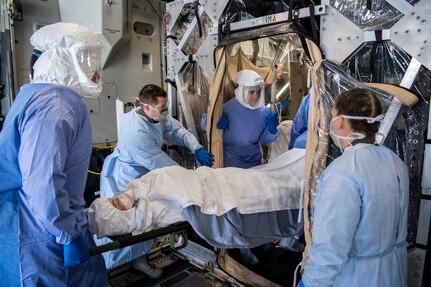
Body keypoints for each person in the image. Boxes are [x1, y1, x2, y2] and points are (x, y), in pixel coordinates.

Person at [0, 22, 108, 286]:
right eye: (85, 57)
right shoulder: (55, 106)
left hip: (46, 226)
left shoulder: (40, 96)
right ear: (61, 57)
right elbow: (42, 183)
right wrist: (67, 234)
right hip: (39, 235)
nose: (93, 68)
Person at [98, 83, 213, 276]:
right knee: (125, 225)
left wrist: (196, 147)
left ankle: (139, 259)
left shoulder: (155, 117)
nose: (164, 113)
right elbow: (164, 166)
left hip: (145, 174)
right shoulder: (137, 132)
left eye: (165, 108)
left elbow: (177, 131)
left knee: (145, 221)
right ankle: (112, 268)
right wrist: (195, 180)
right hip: (125, 178)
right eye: (161, 109)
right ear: (145, 107)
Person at [300, 88, 409, 287]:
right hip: (393, 273)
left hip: (356, 278)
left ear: (340, 121)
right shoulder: (394, 162)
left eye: (332, 116)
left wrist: (310, 283)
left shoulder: (342, 173)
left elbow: (330, 249)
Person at [201, 69, 280, 168]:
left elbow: (263, 139)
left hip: (254, 162)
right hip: (231, 161)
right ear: (242, 91)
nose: (256, 96)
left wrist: (271, 131)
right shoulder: (228, 109)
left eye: (258, 92)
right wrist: (213, 120)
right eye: (251, 92)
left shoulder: (263, 112)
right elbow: (205, 126)